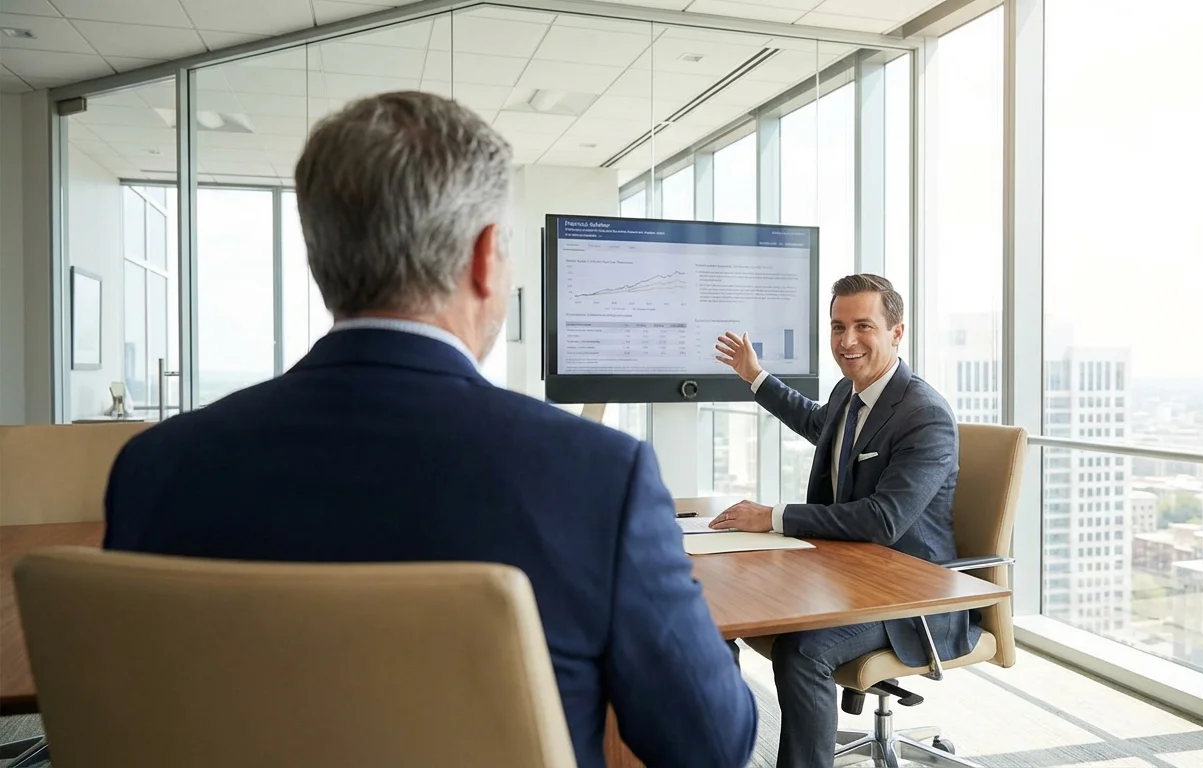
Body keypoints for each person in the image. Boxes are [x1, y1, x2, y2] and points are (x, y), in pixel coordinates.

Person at [103, 91, 756, 768]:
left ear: (319, 255)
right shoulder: (598, 478)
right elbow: (711, 746)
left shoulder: (154, 468)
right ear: (483, 258)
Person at [712, 273, 978, 768]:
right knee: (723, 612)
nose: (847, 341)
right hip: (846, 576)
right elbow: (815, 422)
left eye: (863, 326)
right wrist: (756, 377)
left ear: (897, 332)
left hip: (909, 596)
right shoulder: (849, 393)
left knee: (803, 650)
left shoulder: (924, 414)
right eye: (837, 327)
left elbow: (882, 520)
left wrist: (771, 516)